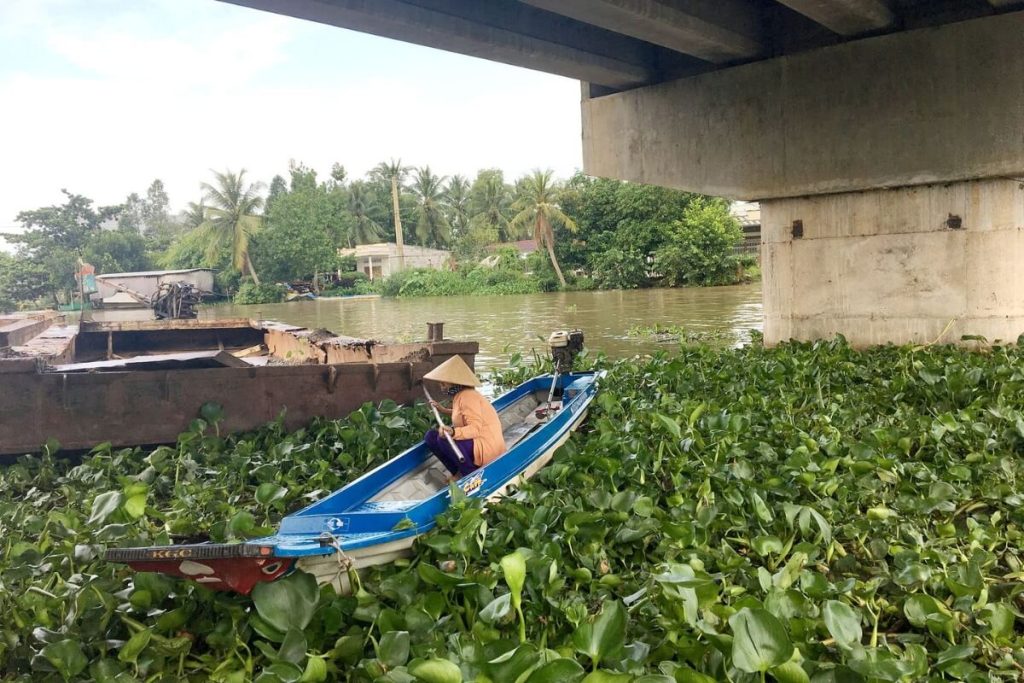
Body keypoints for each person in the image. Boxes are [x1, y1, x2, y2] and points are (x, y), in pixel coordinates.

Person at [422, 355, 506, 479]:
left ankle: (470, 474)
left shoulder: (467, 397)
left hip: (485, 445)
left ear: (455, 383)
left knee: (443, 439)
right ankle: (457, 471)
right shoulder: (461, 395)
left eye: (444, 383)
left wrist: (454, 432)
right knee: (431, 437)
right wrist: (443, 410)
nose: (442, 386)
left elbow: (475, 428)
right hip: (476, 440)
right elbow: (462, 413)